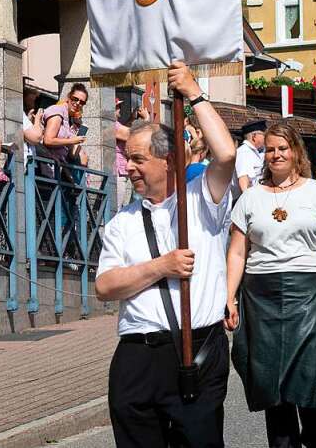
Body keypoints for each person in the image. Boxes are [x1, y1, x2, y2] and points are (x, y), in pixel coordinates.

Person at [95, 62, 237, 448]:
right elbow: (106, 286)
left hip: (197, 351)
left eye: (138, 159)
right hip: (138, 356)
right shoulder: (122, 222)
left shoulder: (201, 201)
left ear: (169, 159)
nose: (130, 168)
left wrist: (193, 93)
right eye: (128, 158)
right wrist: (161, 267)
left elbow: (225, 154)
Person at [226, 122, 316, 448]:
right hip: (260, 296)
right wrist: (229, 298)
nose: (276, 154)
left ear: (295, 152)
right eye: (270, 149)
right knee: (271, 383)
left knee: (309, 377)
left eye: (283, 148)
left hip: (309, 293)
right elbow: (237, 252)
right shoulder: (250, 198)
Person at [236, 120, 267, 195]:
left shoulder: (253, 152)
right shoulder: (244, 152)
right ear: (254, 136)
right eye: (264, 135)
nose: (265, 138)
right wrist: (249, 200)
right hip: (245, 198)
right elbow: (243, 179)